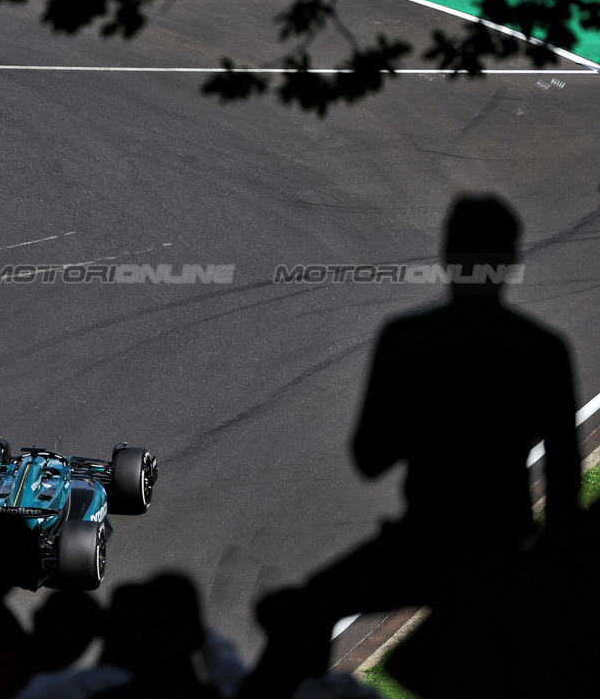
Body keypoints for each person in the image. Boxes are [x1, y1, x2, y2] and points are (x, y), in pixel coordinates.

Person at [237, 194, 583, 699]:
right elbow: (566, 484)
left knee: (308, 605)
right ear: (510, 262)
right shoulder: (545, 350)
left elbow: (369, 459)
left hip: (423, 542)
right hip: (504, 548)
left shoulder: (406, 338)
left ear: (447, 257)